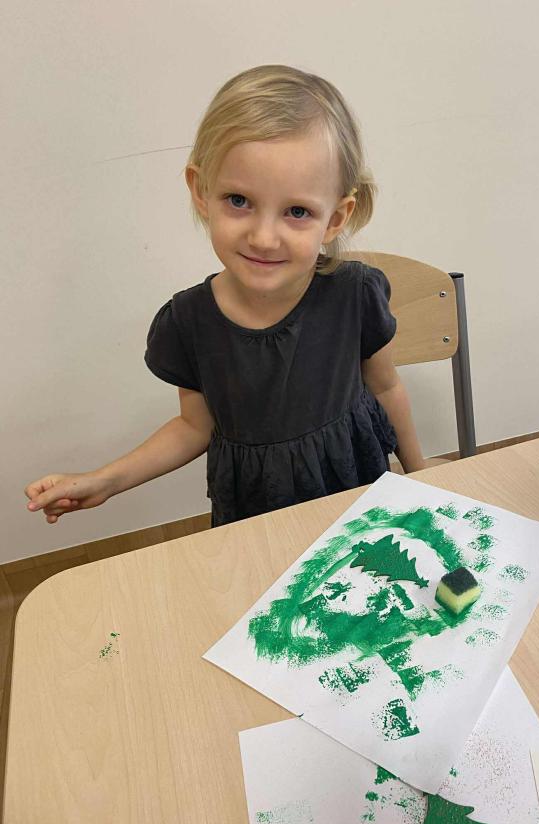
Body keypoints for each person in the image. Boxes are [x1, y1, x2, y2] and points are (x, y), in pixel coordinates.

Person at [25, 64, 426, 527]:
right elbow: (193, 426)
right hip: (256, 521)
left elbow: (386, 387)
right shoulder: (187, 322)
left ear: (335, 219)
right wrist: (105, 481)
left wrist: (420, 474)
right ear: (201, 191)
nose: (264, 238)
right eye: (239, 201)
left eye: (297, 211)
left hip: (360, 502)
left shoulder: (355, 294)